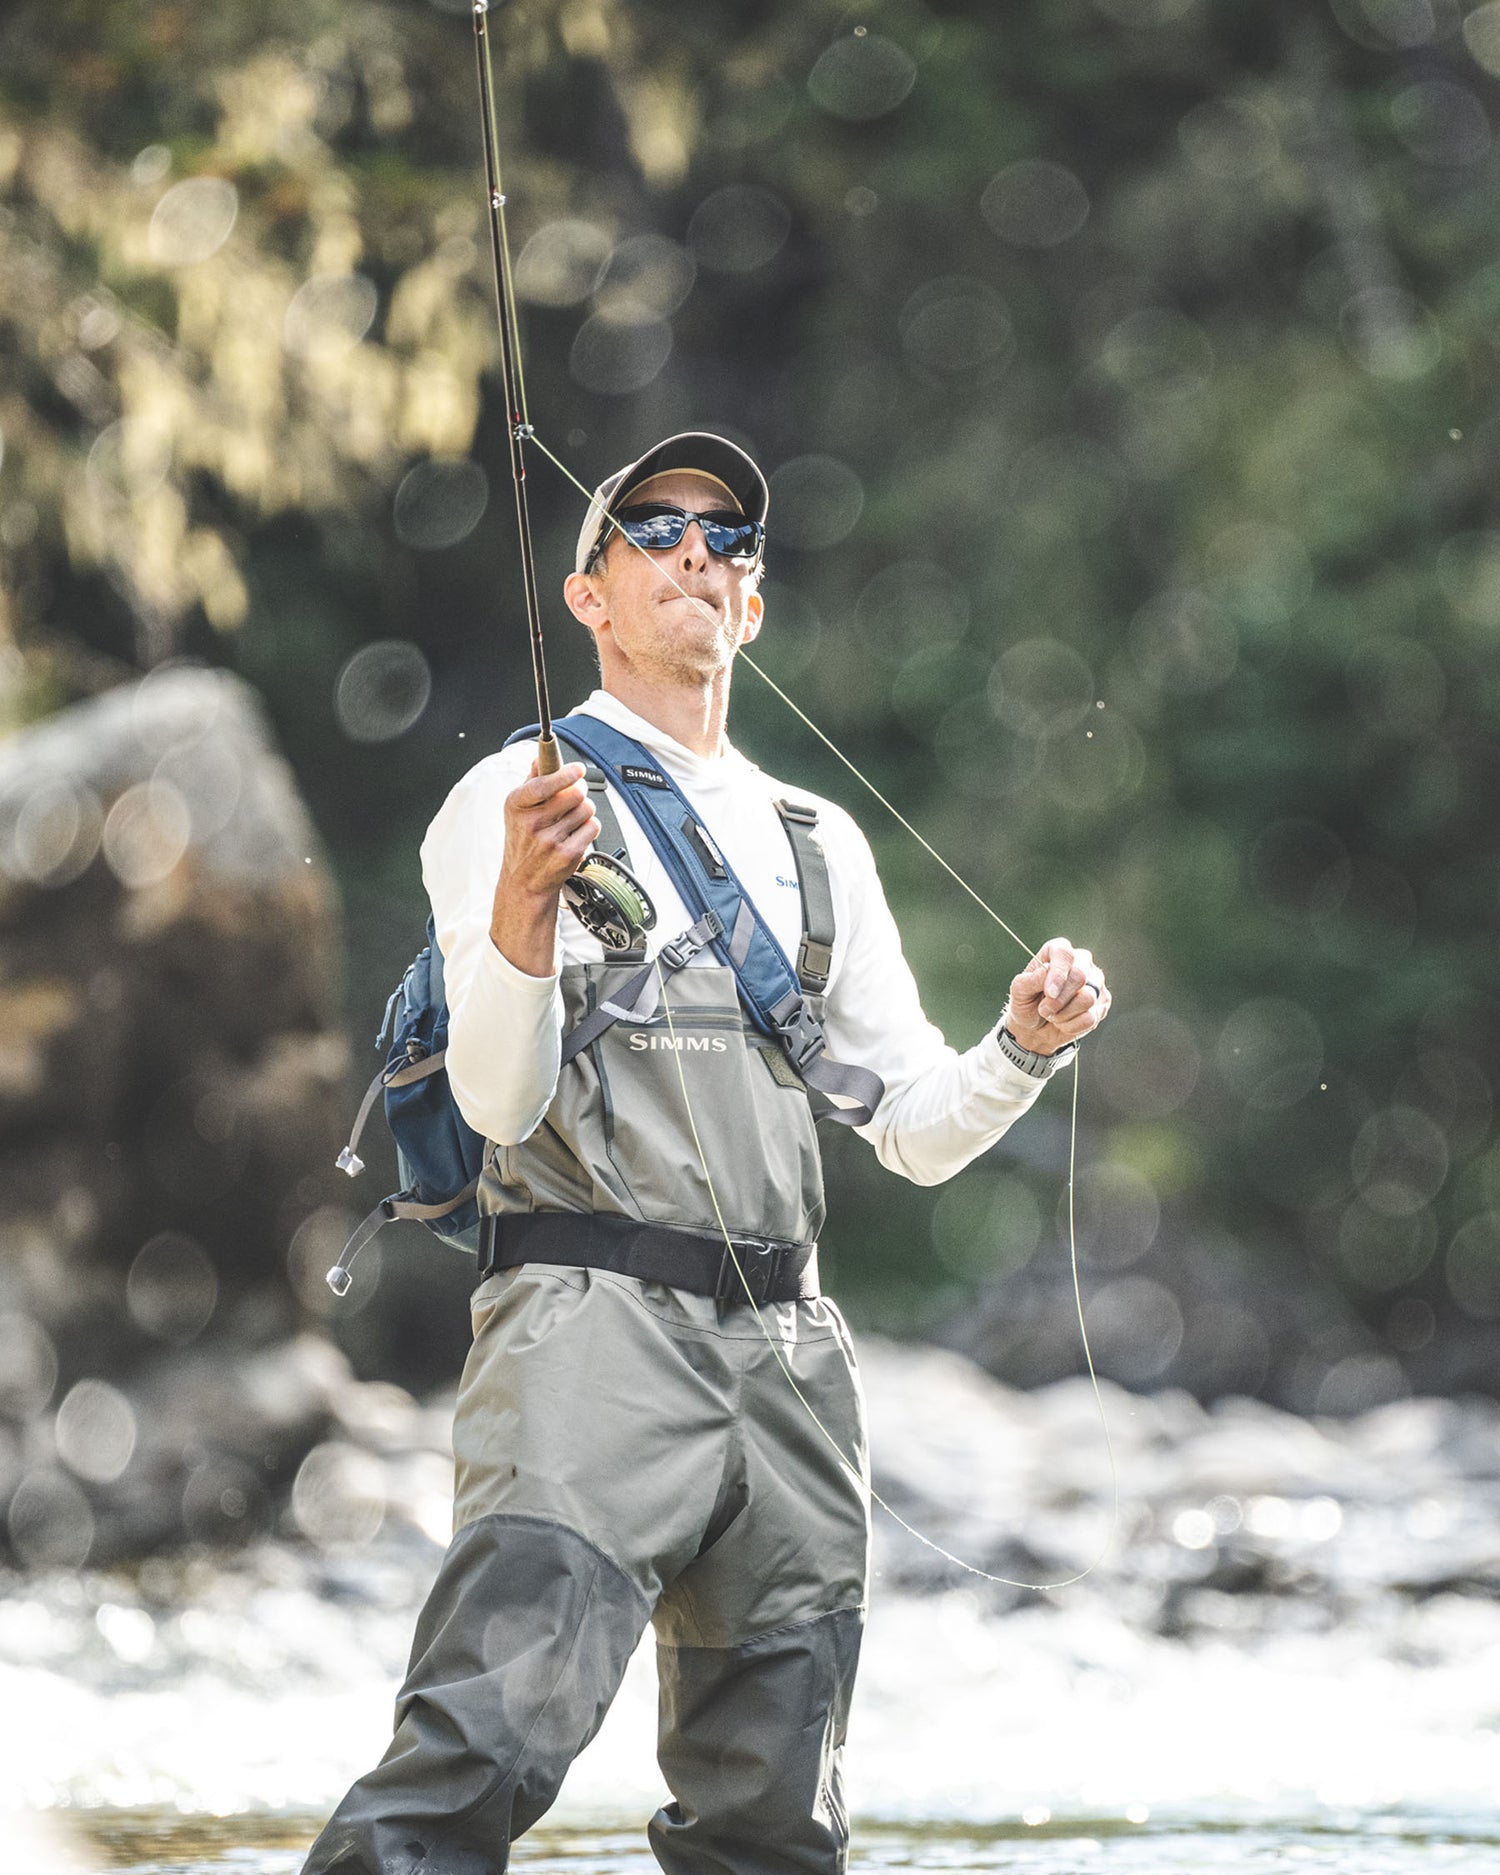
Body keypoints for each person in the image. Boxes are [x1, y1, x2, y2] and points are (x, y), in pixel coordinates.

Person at [301, 431, 1111, 1875]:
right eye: (654, 527)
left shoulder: (821, 845)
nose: (695, 549)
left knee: (777, 1827)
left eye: (726, 537)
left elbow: (914, 1132)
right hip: (585, 1335)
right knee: (471, 1765)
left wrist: (1021, 1049)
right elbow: (493, 1103)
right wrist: (524, 915)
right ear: (588, 596)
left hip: (792, 1365)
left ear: (751, 606)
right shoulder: (511, 800)